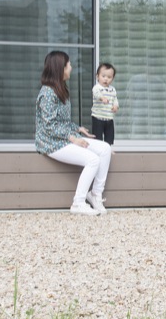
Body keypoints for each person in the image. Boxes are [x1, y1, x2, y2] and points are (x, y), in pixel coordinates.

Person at [35, 51, 112, 216]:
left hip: (64, 137)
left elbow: (61, 121)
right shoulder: (48, 93)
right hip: (51, 142)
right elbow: (49, 126)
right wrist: (73, 138)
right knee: (92, 159)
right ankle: (78, 203)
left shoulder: (60, 88)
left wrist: (77, 129)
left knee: (105, 149)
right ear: (60, 68)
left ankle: (95, 195)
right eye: (68, 65)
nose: (71, 67)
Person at [91, 62, 119, 145]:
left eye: (109, 77)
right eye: (103, 76)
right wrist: (102, 98)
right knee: (97, 138)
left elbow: (115, 98)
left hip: (109, 117)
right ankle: (98, 149)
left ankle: (108, 148)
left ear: (112, 78)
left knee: (109, 137)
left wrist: (115, 106)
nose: (106, 79)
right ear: (97, 77)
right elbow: (96, 94)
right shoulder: (97, 88)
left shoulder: (112, 89)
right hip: (98, 117)